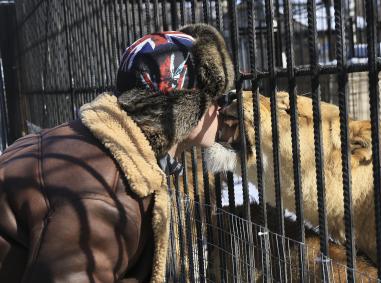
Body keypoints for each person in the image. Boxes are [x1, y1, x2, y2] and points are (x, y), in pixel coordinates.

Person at [0, 23, 234, 282]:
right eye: (217, 98)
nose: (222, 109)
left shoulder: (87, 143)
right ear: (182, 109)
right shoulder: (103, 194)